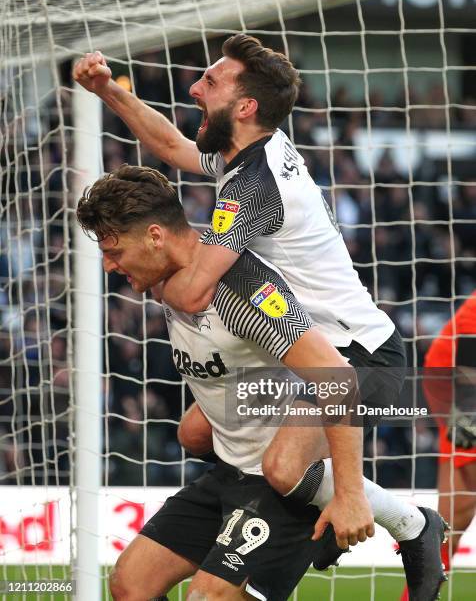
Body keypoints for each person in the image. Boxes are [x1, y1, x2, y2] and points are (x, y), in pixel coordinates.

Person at [77, 165, 448, 601]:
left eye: (113, 249)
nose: (107, 264)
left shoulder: (239, 290)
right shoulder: (170, 286)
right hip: (232, 471)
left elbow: (337, 378)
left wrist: (349, 494)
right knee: (130, 584)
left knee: (209, 597)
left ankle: (408, 522)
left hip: (278, 483)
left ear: (155, 236)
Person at [400, 293, 476, 600]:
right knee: (455, 516)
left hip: (457, 387)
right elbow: (466, 345)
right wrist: (466, 411)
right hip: (462, 391)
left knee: (450, 524)